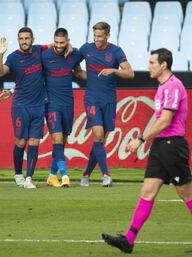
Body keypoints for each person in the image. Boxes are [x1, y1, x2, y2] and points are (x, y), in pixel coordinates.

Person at [102, 48, 192, 253]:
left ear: (163, 65)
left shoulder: (173, 87)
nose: (148, 66)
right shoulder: (163, 87)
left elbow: (166, 121)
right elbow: (161, 121)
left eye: (152, 62)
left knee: (186, 194)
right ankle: (129, 240)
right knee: (147, 192)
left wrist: (141, 139)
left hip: (172, 146)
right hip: (161, 145)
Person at [79, 21, 134, 187]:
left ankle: (86, 174)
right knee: (98, 135)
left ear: (107, 36)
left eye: (100, 36)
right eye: (94, 35)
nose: (96, 39)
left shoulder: (116, 51)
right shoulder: (86, 49)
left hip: (109, 100)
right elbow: (74, 67)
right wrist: (88, 77)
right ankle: (106, 175)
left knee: (100, 140)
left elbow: (130, 73)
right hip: (92, 99)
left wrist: (114, 70)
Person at [0, 27, 48, 189]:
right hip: (20, 106)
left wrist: (67, 45)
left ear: (32, 39)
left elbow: (55, 45)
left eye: (27, 38)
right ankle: (18, 174)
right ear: (18, 40)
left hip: (38, 106)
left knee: (34, 141)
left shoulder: (39, 50)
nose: (24, 41)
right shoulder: (13, 58)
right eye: (21, 39)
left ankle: (29, 178)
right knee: (21, 141)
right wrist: (0, 54)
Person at [41, 28, 86, 187]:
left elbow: (79, 72)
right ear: (53, 41)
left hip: (68, 103)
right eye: (57, 42)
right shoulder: (44, 55)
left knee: (63, 141)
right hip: (51, 103)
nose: (59, 46)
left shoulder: (74, 54)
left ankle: (52, 176)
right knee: (57, 139)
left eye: (62, 42)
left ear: (67, 41)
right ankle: (65, 176)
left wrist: (97, 79)